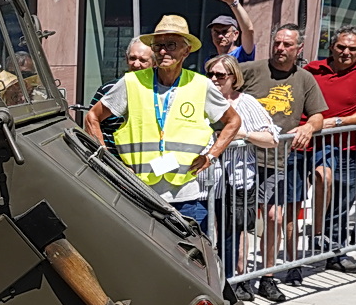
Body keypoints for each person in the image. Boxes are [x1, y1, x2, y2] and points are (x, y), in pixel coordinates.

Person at [84, 13, 240, 233]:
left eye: (171, 45)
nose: (163, 51)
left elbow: (233, 121)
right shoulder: (132, 82)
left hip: (185, 196)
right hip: (139, 193)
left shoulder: (200, 85)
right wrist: (109, 162)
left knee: (186, 253)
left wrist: (211, 156)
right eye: (158, 46)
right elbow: (92, 117)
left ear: (186, 51)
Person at [242, 23, 328, 302]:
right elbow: (220, 88)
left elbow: (318, 115)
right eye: (277, 42)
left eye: (287, 44)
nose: (280, 48)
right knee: (241, 220)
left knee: (274, 218)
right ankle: (239, 278)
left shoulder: (304, 79)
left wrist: (308, 127)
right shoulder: (251, 70)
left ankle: (267, 277)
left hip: (278, 160)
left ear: (298, 48)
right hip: (243, 158)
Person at [204, 54, 280, 299]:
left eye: (220, 75)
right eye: (210, 74)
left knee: (232, 233)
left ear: (233, 77)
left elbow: (272, 138)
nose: (214, 79)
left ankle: (231, 285)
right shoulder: (199, 100)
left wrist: (244, 135)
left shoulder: (246, 102)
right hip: (204, 180)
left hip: (236, 179)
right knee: (204, 234)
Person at [304, 27, 356, 271]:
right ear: (331, 47)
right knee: (302, 196)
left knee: (340, 204)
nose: (346, 52)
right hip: (309, 144)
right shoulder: (312, 69)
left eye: (353, 48)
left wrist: (334, 122)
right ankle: (313, 246)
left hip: (348, 146)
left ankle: (335, 253)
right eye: (341, 47)